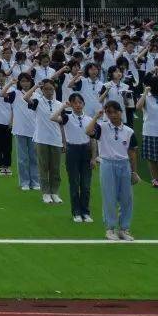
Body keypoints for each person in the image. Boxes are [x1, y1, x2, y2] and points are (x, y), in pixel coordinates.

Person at [87, 100, 140, 241]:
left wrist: (134, 172)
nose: (113, 115)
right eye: (109, 112)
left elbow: (132, 153)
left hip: (124, 164)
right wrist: (96, 117)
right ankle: (110, 229)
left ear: (121, 112)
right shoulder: (102, 127)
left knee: (127, 198)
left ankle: (124, 229)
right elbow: (88, 131)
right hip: (108, 164)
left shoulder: (129, 131)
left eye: (115, 112)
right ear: (106, 114)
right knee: (109, 197)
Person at [56, 92, 94, 222]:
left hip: (86, 150)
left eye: (80, 102)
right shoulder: (67, 117)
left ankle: (86, 211)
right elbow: (53, 117)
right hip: (72, 150)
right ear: (71, 105)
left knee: (86, 184)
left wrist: (94, 157)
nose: (78, 105)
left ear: (83, 104)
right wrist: (63, 107)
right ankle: (76, 212)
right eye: (75, 103)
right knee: (74, 182)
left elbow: (93, 139)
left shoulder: (89, 119)